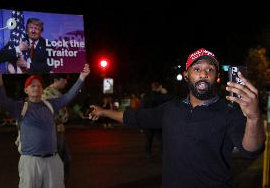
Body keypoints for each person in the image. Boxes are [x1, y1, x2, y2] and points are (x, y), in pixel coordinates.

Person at [89, 48, 266, 188]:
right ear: (187, 74)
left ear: (217, 77)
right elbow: (135, 117)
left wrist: (253, 117)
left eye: (210, 70)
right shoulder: (170, 109)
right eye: (197, 69)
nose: (203, 74)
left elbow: (251, 150)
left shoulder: (229, 112)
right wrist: (104, 112)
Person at [0, 62, 90, 188]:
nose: (36, 88)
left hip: (53, 160)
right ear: (26, 90)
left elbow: (69, 96)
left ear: (42, 90)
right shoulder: (20, 107)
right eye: (32, 86)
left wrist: (82, 77)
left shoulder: (50, 104)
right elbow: (2, 99)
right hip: (30, 162)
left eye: (39, 86)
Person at [42, 73, 71, 185]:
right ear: (56, 80)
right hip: (54, 132)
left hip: (59, 131)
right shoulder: (48, 94)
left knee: (66, 160)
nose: (66, 82)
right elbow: (60, 116)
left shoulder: (55, 93)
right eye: (64, 80)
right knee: (58, 162)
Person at [140, 81, 173, 159]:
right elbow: (172, 100)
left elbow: (142, 108)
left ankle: (148, 153)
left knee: (148, 139)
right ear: (159, 87)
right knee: (161, 139)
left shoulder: (146, 96)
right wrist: (165, 92)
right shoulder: (162, 96)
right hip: (159, 121)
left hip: (148, 121)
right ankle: (163, 154)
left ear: (152, 87)